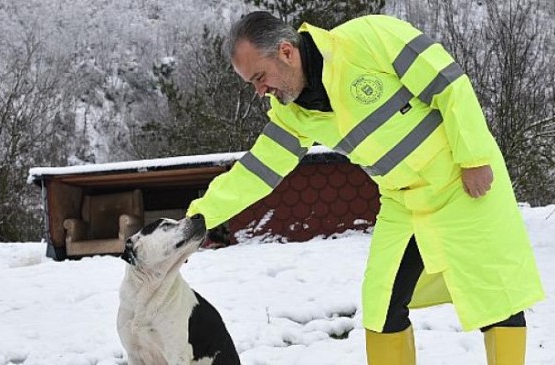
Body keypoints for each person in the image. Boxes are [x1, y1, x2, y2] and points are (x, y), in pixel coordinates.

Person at [186, 11, 544, 365]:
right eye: (252, 83)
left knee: (496, 297)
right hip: (403, 201)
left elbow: (447, 83)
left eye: (260, 77)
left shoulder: (368, 37)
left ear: (286, 51)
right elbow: (257, 170)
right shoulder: (292, 113)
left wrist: (474, 158)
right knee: (381, 304)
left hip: (463, 181)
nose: (260, 91)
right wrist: (196, 220)